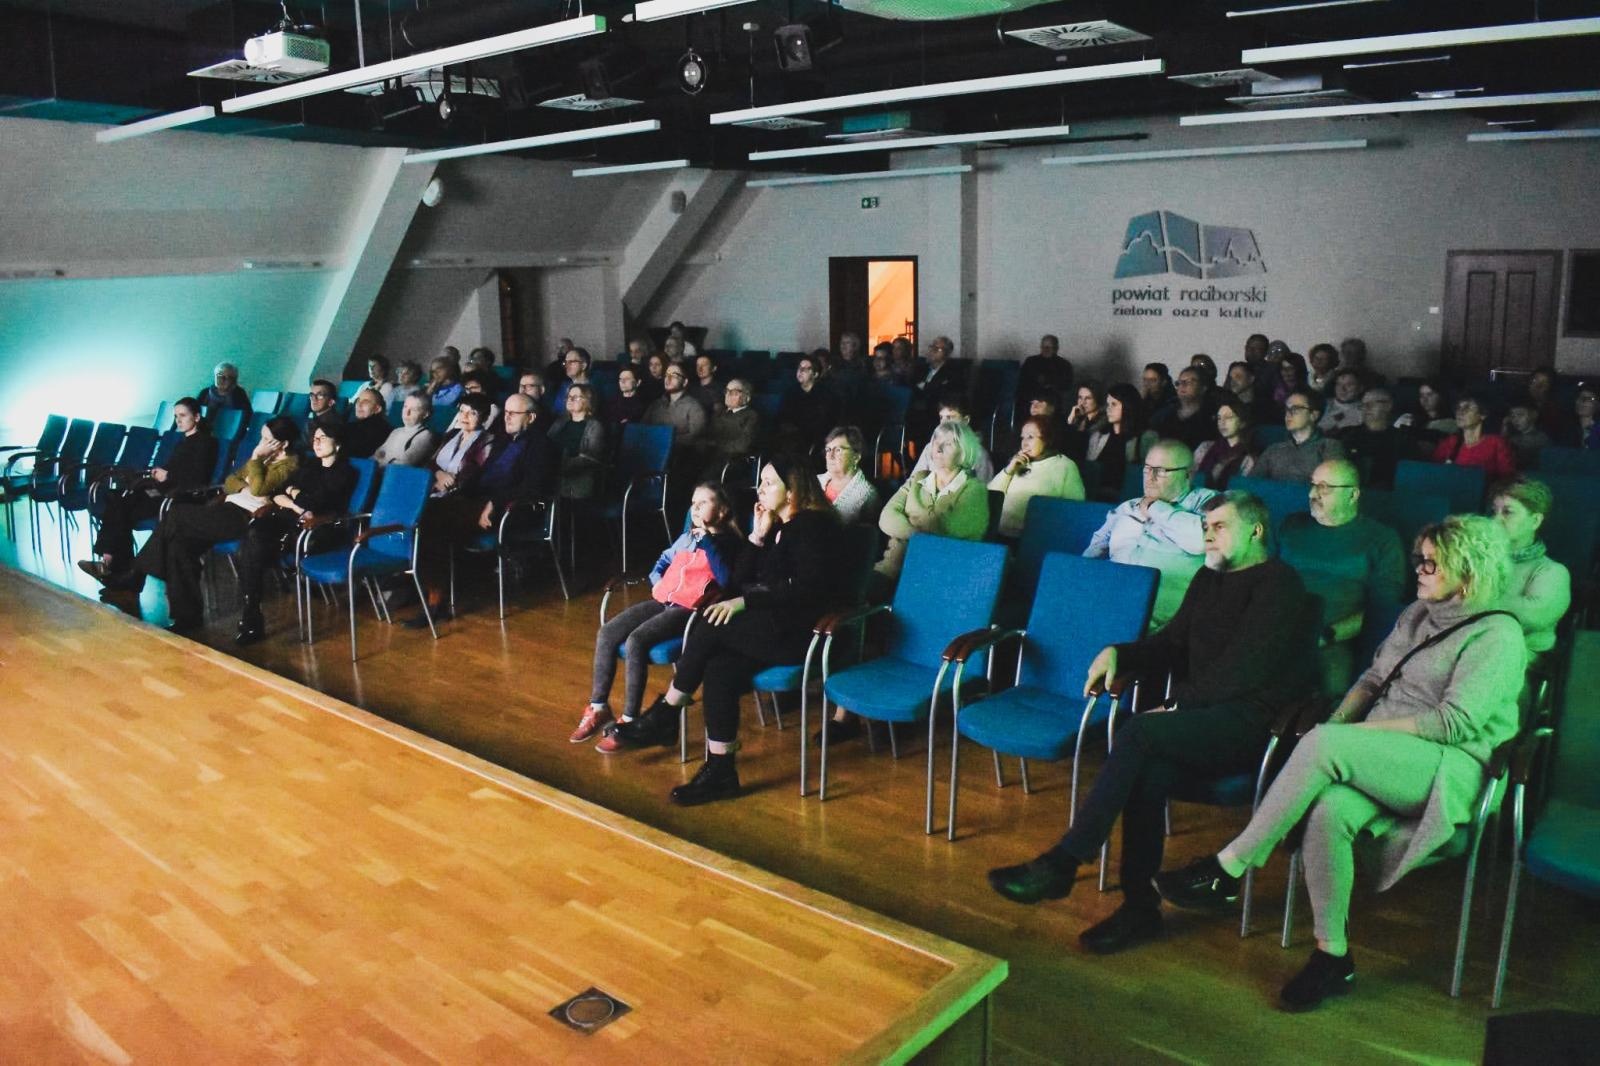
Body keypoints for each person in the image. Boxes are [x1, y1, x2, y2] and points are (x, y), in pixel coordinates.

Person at [1155, 515, 1524, 1011]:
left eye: (1433, 563)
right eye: (1420, 559)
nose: (1419, 569)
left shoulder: (1498, 636)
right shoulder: (1417, 614)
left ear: (1470, 572)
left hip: (1449, 766)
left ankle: (1229, 866)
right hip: (1387, 752)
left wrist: (1346, 737)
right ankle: (1334, 957)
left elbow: (1453, 724)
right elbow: (1372, 680)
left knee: (1327, 745)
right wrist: (1335, 723)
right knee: (1329, 810)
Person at [987, 492, 1317, 956]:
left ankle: (1065, 860)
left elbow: (1245, 672)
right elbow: (1170, 643)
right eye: (1205, 525)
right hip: (1204, 717)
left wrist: (1178, 705)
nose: (1207, 533)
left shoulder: (1279, 585)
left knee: (1138, 732)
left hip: (1252, 723)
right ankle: (1139, 908)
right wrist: (1121, 652)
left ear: (1256, 530)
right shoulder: (1207, 579)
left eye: (1219, 525)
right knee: (1147, 768)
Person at [606, 456, 843, 807]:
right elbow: (736, 581)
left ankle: (667, 713)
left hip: (803, 634)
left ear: (793, 491)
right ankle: (721, 772)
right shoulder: (780, 527)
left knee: (711, 621)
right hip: (771, 627)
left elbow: (807, 590)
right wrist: (758, 537)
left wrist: (744, 603)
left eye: (769, 483)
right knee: (719, 669)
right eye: (760, 482)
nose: (760, 489)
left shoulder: (812, 526)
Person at [575, 483, 743, 745]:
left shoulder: (728, 544)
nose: (695, 507)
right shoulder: (688, 537)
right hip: (665, 600)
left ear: (722, 511)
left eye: (703, 502)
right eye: (693, 502)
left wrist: (709, 542)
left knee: (636, 641)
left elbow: (728, 579)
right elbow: (662, 561)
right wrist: (660, 583)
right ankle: (598, 707)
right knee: (607, 632)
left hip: (690, 608)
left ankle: (630, 720)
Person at [99, 416, 301, 633]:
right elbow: (230, 482)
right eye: (261, 438)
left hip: (245, 516)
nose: (260, 443)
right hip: (225, 508)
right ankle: (187, 617)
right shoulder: (266, 459)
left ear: (283, 444)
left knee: (175, 514)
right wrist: (245, 484)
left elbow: (260, 489)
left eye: (266, 440)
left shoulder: (290, 464)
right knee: (179, 544)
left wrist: (255, 458)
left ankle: (136, 574)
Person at [412, 393, 556, 622]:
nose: (506, 417)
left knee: (433, 525)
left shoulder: (541, 445)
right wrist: (460, 493)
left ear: (531, 417)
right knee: (425, 515)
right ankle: (432, 592)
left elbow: (532, 487)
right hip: (483, 502)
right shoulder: (503, 440)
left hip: (515, 509)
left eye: (514, 413)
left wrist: (493, 503)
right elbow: (482, 475)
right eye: (506, 412)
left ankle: (435, 600)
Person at [1278, 460, 1407, 696]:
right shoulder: (1292, 525)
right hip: (1276, 627)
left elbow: (1381, 609)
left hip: (1332, 639)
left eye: (1324, 487)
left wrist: (1326, 636)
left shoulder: (1382, 539)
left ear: (1353, 494)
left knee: (1335, 692)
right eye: (1313, 484)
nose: (1312, 494)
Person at [233, 423, 357, 646]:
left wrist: (294, 496)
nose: (316, 442)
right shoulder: (310, 465)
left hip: (317, 530)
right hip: (289, 520)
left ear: (337, 444)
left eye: (323, 438)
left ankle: (251, 616)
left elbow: (319, 503)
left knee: (253, 546)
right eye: (315, 438)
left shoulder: (344, 471)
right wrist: (297, 503)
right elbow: (280, 493)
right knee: (252, 536)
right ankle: (251, 611)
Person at [79, 396, 218, 583]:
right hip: (163, 491)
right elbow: (175, 469)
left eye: (183, 415)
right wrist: (160, 474)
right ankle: (114, 566)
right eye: (176, 416)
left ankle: (113, 565)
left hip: (179, 497)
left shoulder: (206, 443)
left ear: (197, 417)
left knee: (121, 506)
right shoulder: (184, 441)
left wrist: (168, 476)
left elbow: (198, 478)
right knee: (118, 501)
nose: (178, 420)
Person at [1085, 439, 1216, 627]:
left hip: (1161, 624)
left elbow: (1201, 540)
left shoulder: (1209, 503)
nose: (1150, 477)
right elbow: (1093, 551)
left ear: (1188, 475)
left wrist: (1155, 508)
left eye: (1161, 471)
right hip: (1109, 605)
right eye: (1147, 468)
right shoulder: (1128, 507)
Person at [874, 420, 990, 592]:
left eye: (948, 443)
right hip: (891, 569)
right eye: (936, 441)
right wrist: (916, 533)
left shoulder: (974, 490)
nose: (938, 448)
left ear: (964, 451)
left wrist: (905, 529)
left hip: (936, 578)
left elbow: (946, 531)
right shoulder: (918, 478)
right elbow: (886, 518)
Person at [1489, 477, 1571, 658]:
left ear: (1535, 521)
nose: (1496, 520)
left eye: (1507, 512)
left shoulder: (1551, 571)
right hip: (1475, 647)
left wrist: (1469, 595)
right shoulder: (1483, 561)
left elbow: (1534, 617)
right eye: (1494, 511)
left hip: (1519, 658)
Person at [988, 417, 1085, 539]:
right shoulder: (1018, 461)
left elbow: (1074, 509)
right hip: (998, 533)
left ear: (1046, 439)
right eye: (1022, 437)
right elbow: (991, 497)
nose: (1024, 443)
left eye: (1030, 437)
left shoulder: (1065, 466)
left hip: (1035, 537)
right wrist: (1009, 470)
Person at [1253, 390, 1347, 483]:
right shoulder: (1274, 449)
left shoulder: (1329, 447)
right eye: (1287, 409)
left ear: (1313, 415)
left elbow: (1334, 485)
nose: (1288, 414)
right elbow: (1253, 483)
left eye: (1295, 409)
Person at [1090, 383, 1157, 501]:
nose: (1108, 409)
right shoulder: (1098, 435)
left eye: (1114, 404)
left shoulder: (1146, 437)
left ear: (1127, 406)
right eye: (1108, 404)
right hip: (1097, 497)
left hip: (1131, 499)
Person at [1432, 395, 1515, 482]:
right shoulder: (1450, 442)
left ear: (1483, 415)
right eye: (1458, 408)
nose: (1460, 412)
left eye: (1467, 408)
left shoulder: (1496, 443)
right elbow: (1432, 472)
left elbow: (1508, 478)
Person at [910, 398, 995, 483]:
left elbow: (985, 488)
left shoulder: (977, 454)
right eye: (941, 417)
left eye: (949, 417)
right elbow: (912, 481)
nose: (943, 423)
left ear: (965, 420)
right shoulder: (930, 448)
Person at [547, 384, 607, 500]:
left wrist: (556, 466)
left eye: (575, 397)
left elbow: (590, 458)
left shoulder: (595, 426)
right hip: (553, 473)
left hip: (578, 477)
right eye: (569, 397)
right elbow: (546, 444)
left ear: (588, 401)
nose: (570, 400)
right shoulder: (560, 422)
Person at [1338, 388, 1406, 490]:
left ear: (1388, 406)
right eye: (1363, 404)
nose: (1366, 408)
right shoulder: (1347, 435)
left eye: (1372, 403)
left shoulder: (1402, 439)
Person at [429, 394, 493, 498]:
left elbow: (472, 477)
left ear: (484, 418)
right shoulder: (452, 433)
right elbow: (430, 462)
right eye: (462, 411)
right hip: (433, 485)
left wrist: (445, 483)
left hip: (459, 496)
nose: (464, 416)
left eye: (472, 413)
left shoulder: (487, 440)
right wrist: (439, 474)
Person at [818, 426, 881, 525]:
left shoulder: (867, 496)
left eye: (838, 450)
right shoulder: (815, 481)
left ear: (856, 457)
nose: (830, 456)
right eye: (828, 450)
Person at [697, 378, 760, 479]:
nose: (728, 395)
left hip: (733, 460)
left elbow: (743, 445)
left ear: (746, 397)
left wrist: (717, 444)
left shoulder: (751, 416)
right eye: (727, 391)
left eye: (734, 392)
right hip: (710, 455)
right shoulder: (719, 413)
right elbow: (707, 436)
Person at [775, 353, 838, 453]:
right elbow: (783, 417)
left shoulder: (826, 394)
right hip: (794, 437)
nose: (800, 371)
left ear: (815, 374)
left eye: (805, 369)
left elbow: (825, 422)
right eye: (799, 368)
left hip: (816, 438)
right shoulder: (791, 392)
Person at [1192, 395, 1255, 491]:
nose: (1222, 423)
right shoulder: (1205, 447)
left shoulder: (1248, 458)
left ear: (1242, 422)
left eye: (1228, 418)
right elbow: (1189, 474)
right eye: (1219, 418)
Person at [906, 336, 961, 445]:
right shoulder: (921, 369)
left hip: (934, 409)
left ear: (947, 353)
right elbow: (911, 386)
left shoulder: (952, 372)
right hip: (915, 407)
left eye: (938, 349)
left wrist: (925, 388)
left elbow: (943, 393)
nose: (932, 351)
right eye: (932, 347)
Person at [1150, 367, 1217, 451]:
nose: (1182, 386)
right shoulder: (1164, 415)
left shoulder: (1211, 418)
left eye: (1189, 382)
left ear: (1203, 387)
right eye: (1179, 383)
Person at [645, 362, 707, 447]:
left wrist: (664, 439)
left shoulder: (694, 407)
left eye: (674, 375)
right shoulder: (655, 404)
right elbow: (642, 429)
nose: (668, 378)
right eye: (666, 375)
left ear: (685, 382)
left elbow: (695, 437)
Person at [372, 392, 439, 467]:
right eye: (405, 407)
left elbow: (403, 465)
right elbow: (377, 454)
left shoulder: (426, 436)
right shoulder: (397, 431)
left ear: (425, 414)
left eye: (413, 409)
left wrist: (378, 463)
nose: (406, 413)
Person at [1018, 334, 1074, 422]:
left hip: (1053, 400)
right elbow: (1022, 383)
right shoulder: (1031, 362)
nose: (1046, 350)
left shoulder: (1064, 365)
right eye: (1044, 347)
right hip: (1031, 398)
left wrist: (1050, 383)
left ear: (1056, 348)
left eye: (1049, 347)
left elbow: (1067, 386)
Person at [1062, 381, 1110, 463]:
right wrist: (1070, 422)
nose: (1082, 402)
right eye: (1080, 397)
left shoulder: (1104, 423)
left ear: (1097, 399)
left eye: (1088, 398)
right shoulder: (1078, 420)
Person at [342, 387, 391, 459]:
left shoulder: (379, 430)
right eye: (358, 401)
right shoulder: (353, 426)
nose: (359, 404)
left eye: (366, 402)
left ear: (377, 409)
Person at [1502, 402, 1553, 470]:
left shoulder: (1541, 437)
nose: (1515, 420)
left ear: (1533, 415)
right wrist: (1504, 428)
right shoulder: (1515, 438)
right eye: (1513, 416)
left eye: (1520, 415)